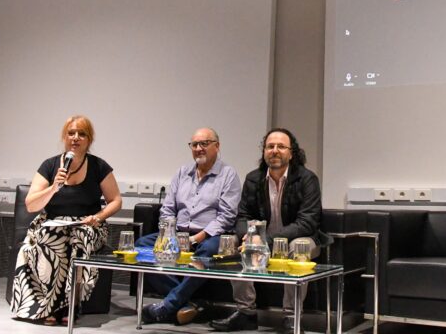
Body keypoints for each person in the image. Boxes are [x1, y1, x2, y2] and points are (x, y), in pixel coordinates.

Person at [210, 128, 330, 332]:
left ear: (291, 153)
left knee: (298, 246)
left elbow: (307, 223)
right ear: (264, 151)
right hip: (260, 241)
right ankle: (245, 313)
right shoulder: (253, 178)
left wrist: (264, 238)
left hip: (300, 239)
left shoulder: (307, 179)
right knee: (232, 243)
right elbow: (242, 216)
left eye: (281, 146)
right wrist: (248, 236)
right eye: (270, 146)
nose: (275, 151)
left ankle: (291, 317)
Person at [11, 115, 122, 326]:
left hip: (88, 224)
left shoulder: (99, 166)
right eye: (71, 133)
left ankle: (71, 304)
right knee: (49, 236)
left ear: (89, 140)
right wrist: (54, 187)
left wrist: (98, 217)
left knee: (79, 236)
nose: (76, 138)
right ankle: (48, 305)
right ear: (64, 137)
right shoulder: (50, 165)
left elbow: (116, 200)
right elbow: (31, 205)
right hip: (54, 223)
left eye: (82, 134)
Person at [138, 127, 241, 325]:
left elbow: (226, 217)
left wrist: (196, 238)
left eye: (204, 143)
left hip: (210, 236)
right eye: (194, 144)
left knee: (208, 250)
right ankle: (188, 304)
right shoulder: (182, 172)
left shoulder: (228, 175)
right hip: (178, 233)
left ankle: (169, 305)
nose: (199, 148)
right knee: (142, 246)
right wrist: (169, 235)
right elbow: (167, 209)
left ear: (217, 146)